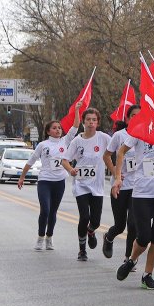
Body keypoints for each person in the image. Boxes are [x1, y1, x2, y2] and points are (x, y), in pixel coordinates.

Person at [113, 119, 154, 291]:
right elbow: (121, 152)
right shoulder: (141, 127)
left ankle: (147, 275)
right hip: (142, 191)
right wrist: (118, 177)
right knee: (143, 237)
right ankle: (132, 260)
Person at [18, 102, 82, 251]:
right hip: (45, 181)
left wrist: (77, 110)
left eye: (59, 128)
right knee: (45, 210)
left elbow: (75, 127)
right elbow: (30, 162)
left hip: (59, 181)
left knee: (53, 211)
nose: (58, 130)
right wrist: (22, 177)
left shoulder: (65, 141)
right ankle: (40, 237)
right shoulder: (42, 145)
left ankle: (49, 237)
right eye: (54, 128)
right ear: (48, 131)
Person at [62, 108, 114, 262]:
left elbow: (115, 152)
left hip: (97, 186)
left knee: (95, 221)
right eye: (88, 120)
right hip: (81, 185)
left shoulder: (104, 138)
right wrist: (71, 170)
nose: (91, 122)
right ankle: (82, 250)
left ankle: (91, 232)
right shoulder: (77, 141)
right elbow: (65, 160)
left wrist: (117, 171)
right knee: (84, 217)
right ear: (83, 122)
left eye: (94, 120)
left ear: (97, 122)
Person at [103, 106, 140, 261]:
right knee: (120, 225)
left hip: (138, 187)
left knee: (133, 224)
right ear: (127, 119)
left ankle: (128, 257)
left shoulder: (147, 135)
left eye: (139, 116)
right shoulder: (119, 136)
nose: (136, 119)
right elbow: (106, 156)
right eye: (133, 116)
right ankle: (109, 237)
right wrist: (115, 173)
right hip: (120, 186)